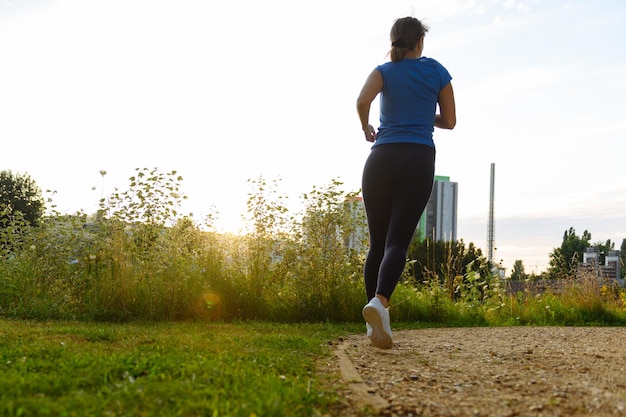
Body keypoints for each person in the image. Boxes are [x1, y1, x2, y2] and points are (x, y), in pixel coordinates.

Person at [356, 16, 456, 349]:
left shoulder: (383, 71)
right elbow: (451, 121)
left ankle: (375, 325)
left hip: (380, 158)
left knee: (377, 244)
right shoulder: (437, 72)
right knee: (398, 242)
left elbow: (361, 102)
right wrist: (423, 113)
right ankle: (380, 302)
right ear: (420, 42)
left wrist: (367, 127)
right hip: (416, 159)